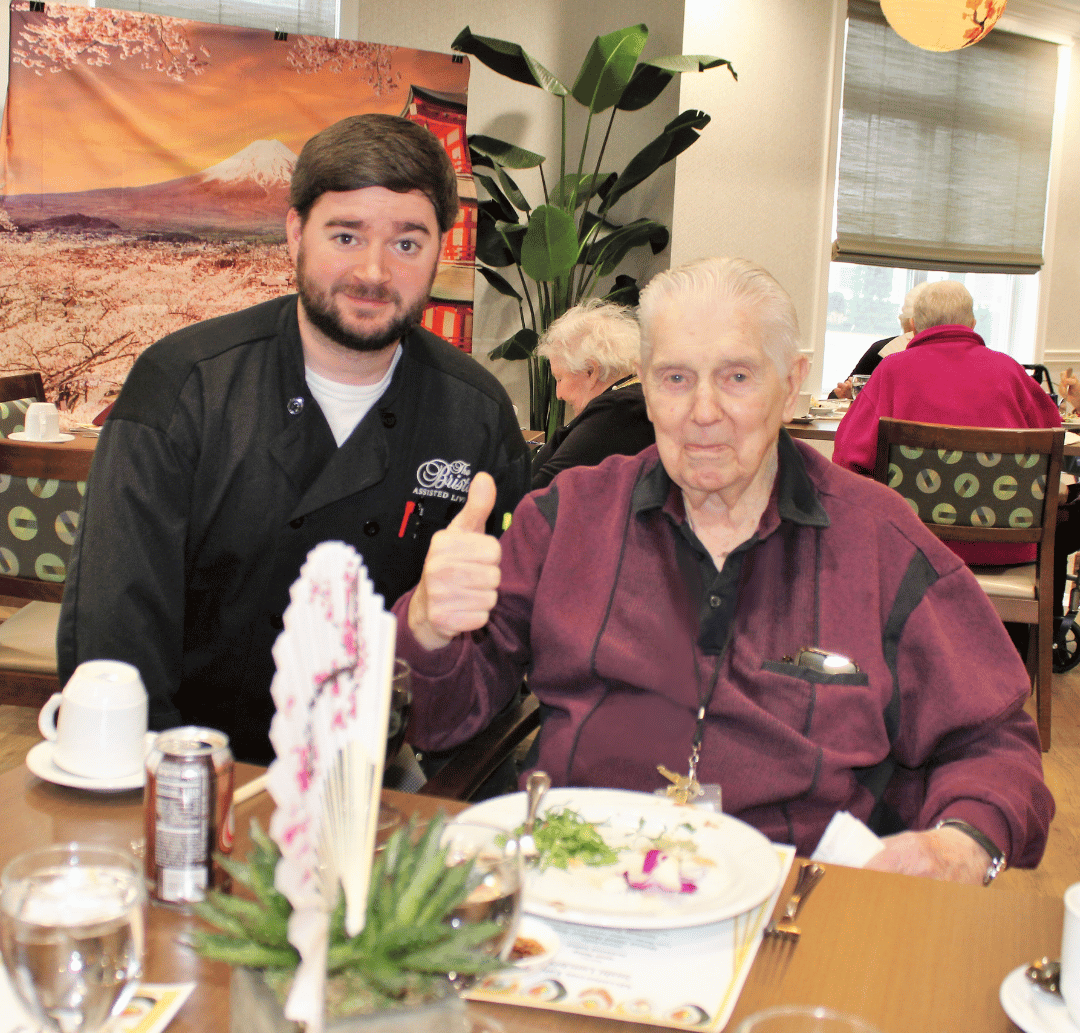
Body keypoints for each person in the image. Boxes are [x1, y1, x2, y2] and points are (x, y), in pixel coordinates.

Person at [395, 257, 1052, 885]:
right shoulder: (567, 517)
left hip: (792, 898)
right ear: (644, 387)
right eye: (676, 378)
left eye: (737, 376)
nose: (703, 411)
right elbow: (443, 719)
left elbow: (992, 742)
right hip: (578, 877)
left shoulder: (880, 542)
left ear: (790, 386)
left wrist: (963, 843)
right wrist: (427, 627)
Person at [58, 113, 531, 764]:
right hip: (192, 767)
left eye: (406, 243)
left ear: (438, 251)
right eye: (346, 235)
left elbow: (501, 652)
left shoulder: (475, 413)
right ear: (295, 233)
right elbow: (114, 635)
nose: (373, 272)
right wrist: (176, 788)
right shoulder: (186, 385)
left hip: (382, 773)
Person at [832, 280, 1061, 568]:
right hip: (1007, 549)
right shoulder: (1010, 370)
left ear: (913, 326)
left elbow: (846, 459)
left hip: (908, 549)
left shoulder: (891, 371)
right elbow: (1052, 437)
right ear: (973, 325)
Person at [531, 302, 654, 489]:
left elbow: (540, 491)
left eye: (560, 379)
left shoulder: (619, 411)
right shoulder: (629, 401)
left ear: (591, 371)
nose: (558, 394)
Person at [830, 282, 928, 399]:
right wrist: (850, 394)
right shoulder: (882, 350)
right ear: (911, 324)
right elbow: (836, 395)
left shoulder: (884, 350)